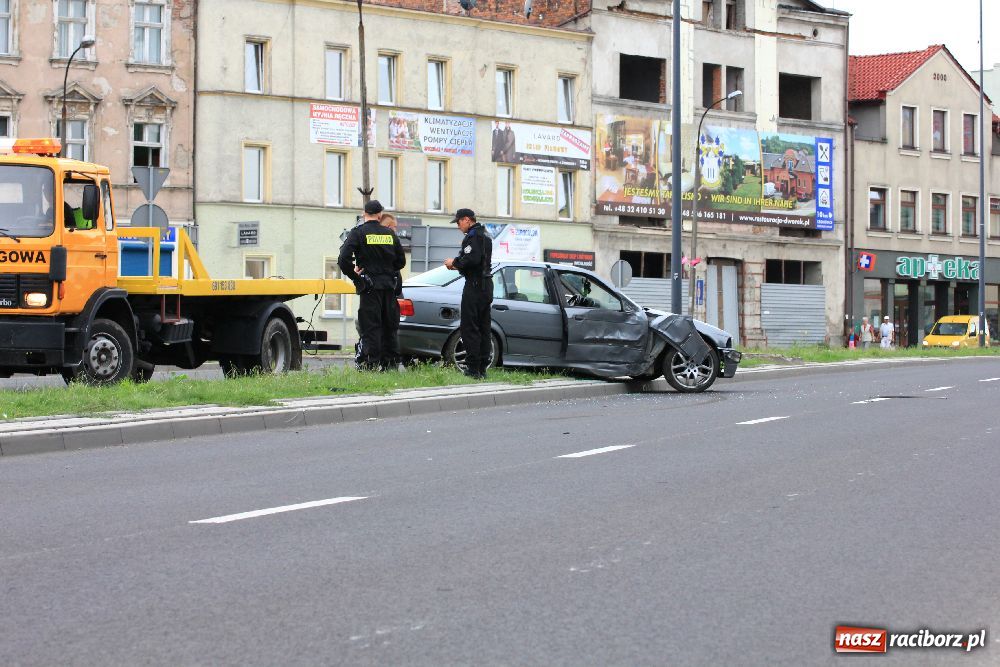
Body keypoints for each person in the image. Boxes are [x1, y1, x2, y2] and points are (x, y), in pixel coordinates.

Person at [338, 199, 406, 371]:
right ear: (380, 215)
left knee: (371, 327)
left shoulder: (358, 233)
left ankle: (371, 365)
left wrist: (357, 278)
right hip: (389, 288)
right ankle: (390, 365)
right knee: (389, 327)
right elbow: (401, 262)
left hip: (369, 287)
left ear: (364, 214)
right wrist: (387, 269)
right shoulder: (389, 234)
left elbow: (343, 259)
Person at [443, 208, 493, 379]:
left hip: (475, 285)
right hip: (486, 285)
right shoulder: (485, 235)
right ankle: (482, 368)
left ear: (467, 220)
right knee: (483, 327)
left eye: (458, 222)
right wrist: (459, 264)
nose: (458, 226)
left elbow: (472, 260)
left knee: (470, 327)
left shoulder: (473, 237)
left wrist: (454, 262)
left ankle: (473, 369)